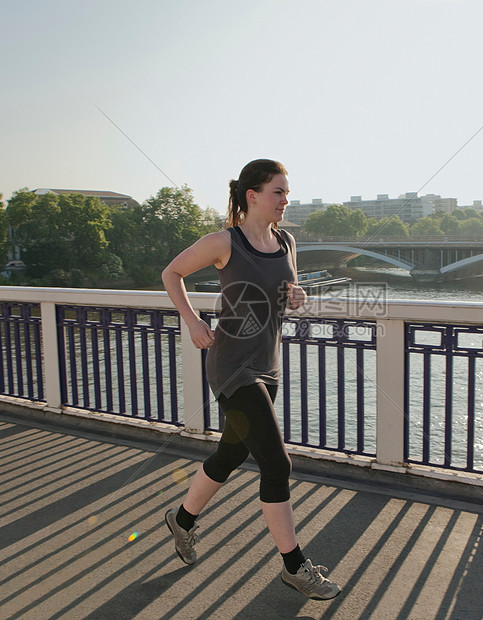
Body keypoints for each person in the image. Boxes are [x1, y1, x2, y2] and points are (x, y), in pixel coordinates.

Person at [161, 159, 341, 600]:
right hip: (232, 365)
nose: (285, 200)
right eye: (278, 192)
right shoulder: (224, 242)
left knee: (228, 454)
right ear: (252, 196)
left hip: (268, 365)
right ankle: (295, 568)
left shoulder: (286, 241)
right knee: (277, 464)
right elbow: (172, 273)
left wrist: (296, 296)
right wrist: (191, 319)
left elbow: (287, 294)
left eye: (287, 193)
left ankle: (181, 521)